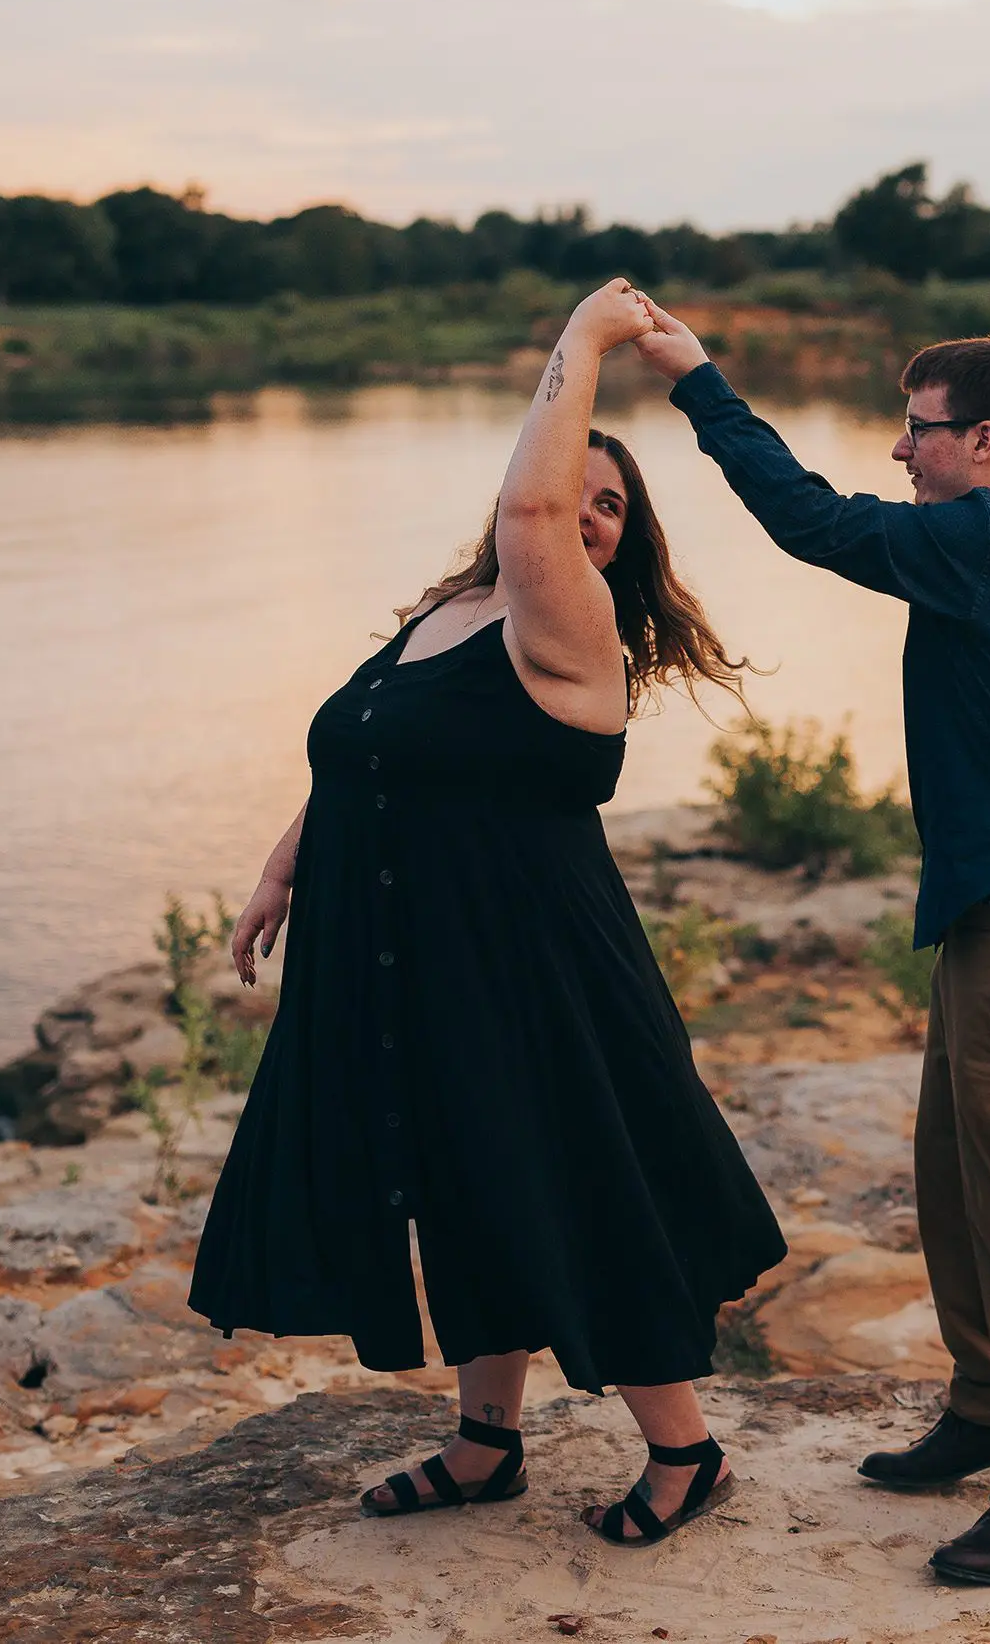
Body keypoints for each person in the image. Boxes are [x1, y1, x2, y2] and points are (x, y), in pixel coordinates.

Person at [189, 279, 785, 1547]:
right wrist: (283, 872)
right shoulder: (441, 618)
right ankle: (485, 1443)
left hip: (533, 970)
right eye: (580, 489)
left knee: (566, 1184)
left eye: (609, 505)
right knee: (460, 1179)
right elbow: (363, 756)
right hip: (415, 954)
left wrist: (584, 339)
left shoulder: (570, 630)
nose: (583, 511)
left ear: (619, 543)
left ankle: (686, 1451)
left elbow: (529, 507)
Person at [634, 307, 990, 1588]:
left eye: (916, 432)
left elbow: (812, 521)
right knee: (955, 1177)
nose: (901, 456)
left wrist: (697, 382)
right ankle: (988, 1408)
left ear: (983, 440)